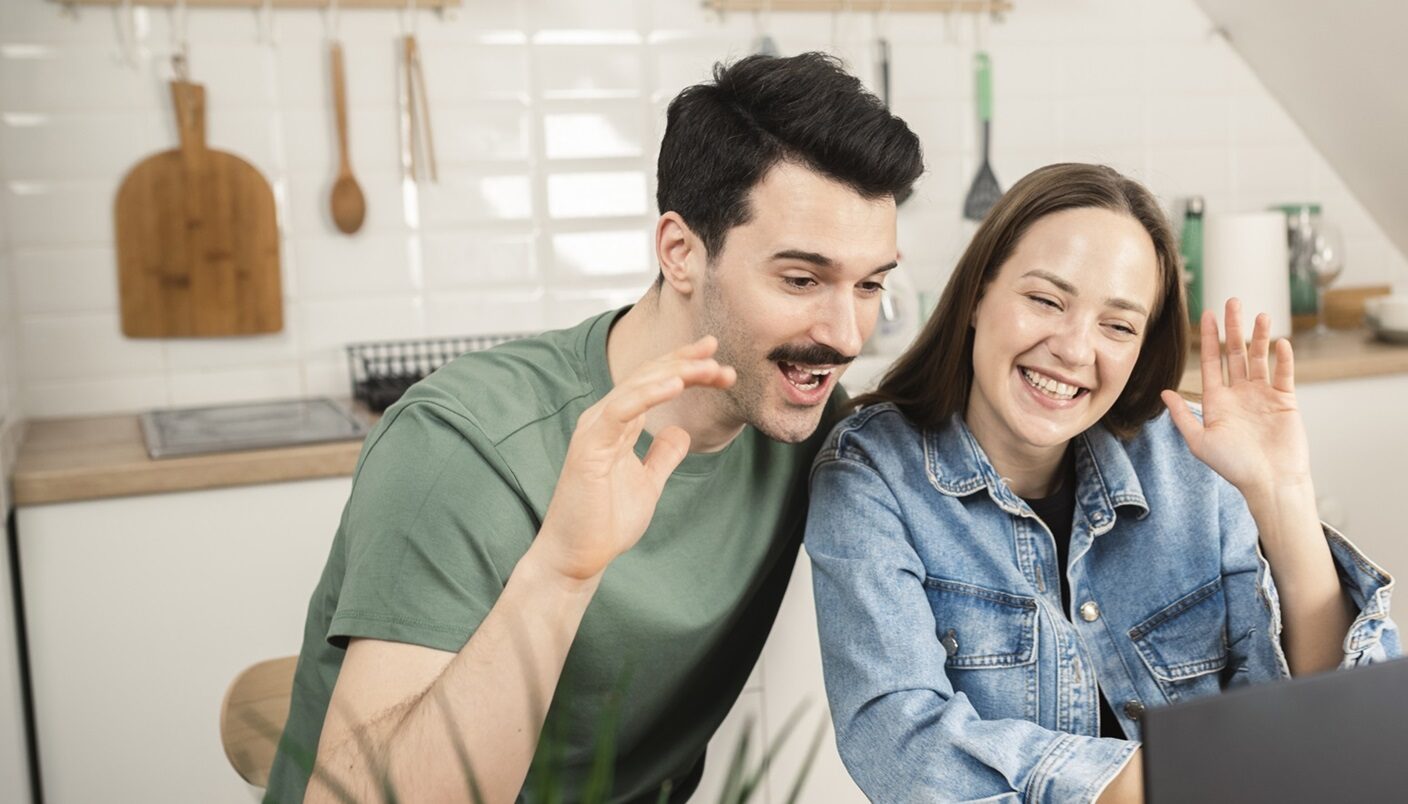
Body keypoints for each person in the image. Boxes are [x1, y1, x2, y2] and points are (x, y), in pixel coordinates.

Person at [264, 53, 923, 804]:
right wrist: (562, 571)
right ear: (680, 252)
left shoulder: (813, 435)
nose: (846, 333)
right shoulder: (464, 445)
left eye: (870, 283)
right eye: (801, 279)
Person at [804, 163, 1399, 802]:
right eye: (1045, 300)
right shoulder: (872, 472)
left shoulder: (1192, 457)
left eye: (1117, 325)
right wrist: (1158, 782)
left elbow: (1336, 715)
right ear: (978, 294)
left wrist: (1282, 495)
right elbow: (900, 743)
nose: (1074, 348)